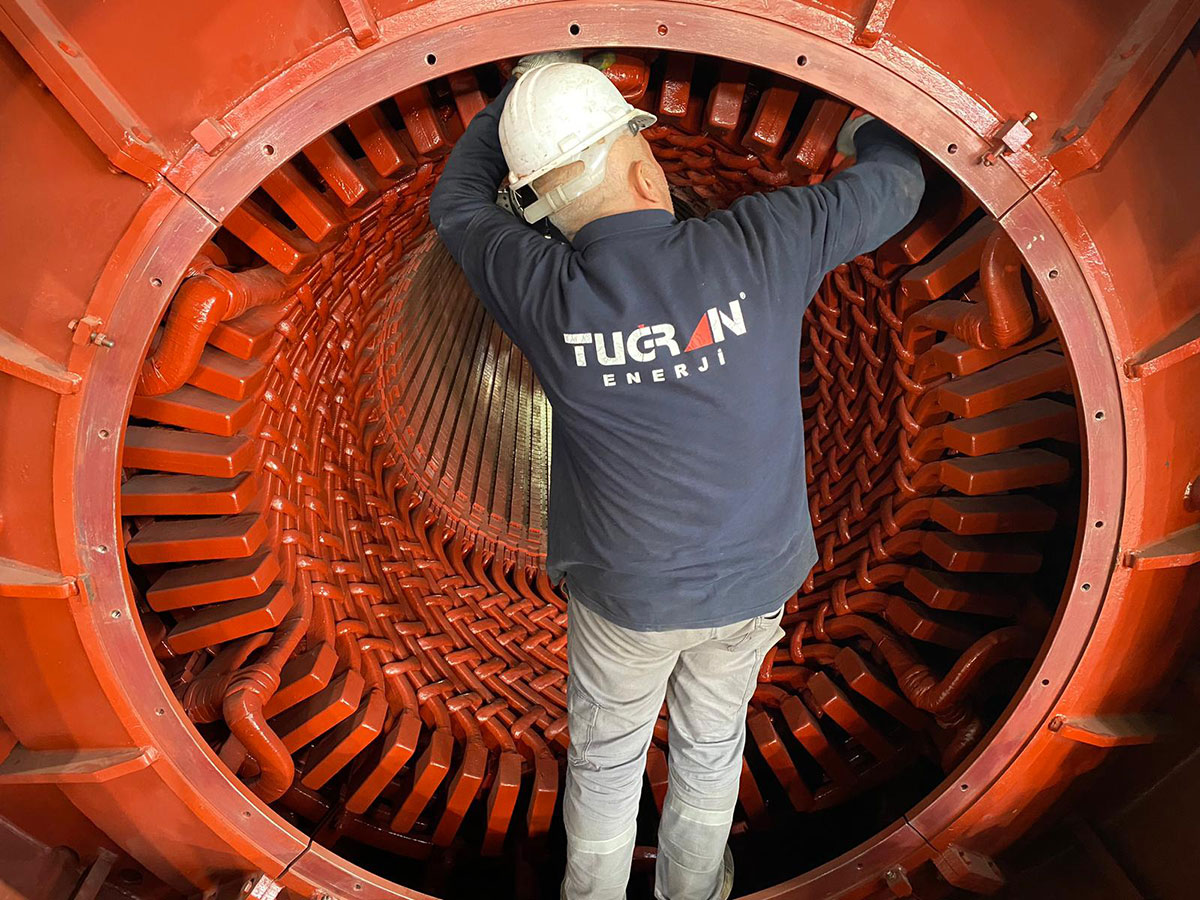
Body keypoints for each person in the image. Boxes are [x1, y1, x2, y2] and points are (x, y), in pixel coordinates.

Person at [430, 55, 924, 900]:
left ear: (545, 209)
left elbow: (455, 207)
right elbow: (896, 188)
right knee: (711, 743)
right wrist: (868, 131)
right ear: (643, 171)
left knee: (607, 762)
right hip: (753, 582)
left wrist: (512, 98)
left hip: (627, 599)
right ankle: (693, 891)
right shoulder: (762, 243)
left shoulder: (542, 288)